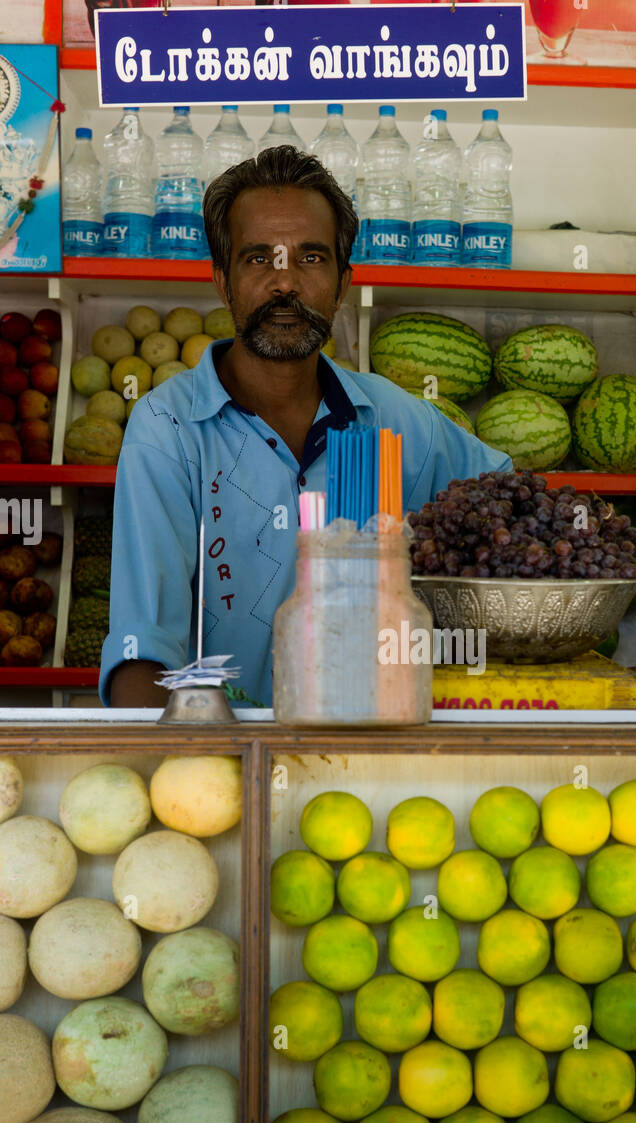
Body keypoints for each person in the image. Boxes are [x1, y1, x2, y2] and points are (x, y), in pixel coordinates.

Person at [100, 144, 511, 709]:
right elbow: (142, 653)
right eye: (258, 258)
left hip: (369, 755)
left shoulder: (395, 421)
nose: (285, 281)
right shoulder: (167, 430)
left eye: (311, 258)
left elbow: (509, 504)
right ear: (223, 282)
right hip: (224, 762)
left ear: (343, 283)